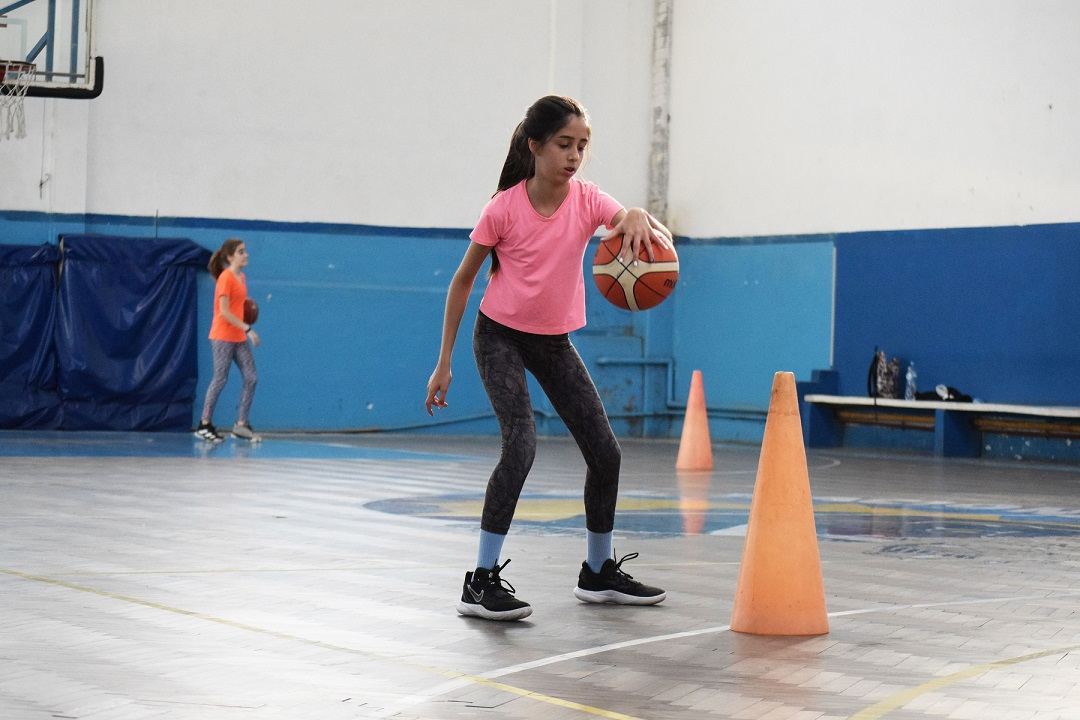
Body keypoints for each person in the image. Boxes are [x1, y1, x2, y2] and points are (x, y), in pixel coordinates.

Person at [425, 95, 674, 621]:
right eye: (565, 144)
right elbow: (464, 280)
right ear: (535, 146)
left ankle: (598, 571)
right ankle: (480, 581)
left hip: (553, 340)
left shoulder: (586, 200)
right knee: (521, 446)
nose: (575, 155)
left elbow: (622, 215)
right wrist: (444, 360)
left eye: (583, 145)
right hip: (499, 337)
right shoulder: (503, 208)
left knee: (605, 453)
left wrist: (636, 216)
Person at [195, 238, 262, 443]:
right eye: (241, 252)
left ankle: (241, 424)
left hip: (237, 336)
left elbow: (237, 307)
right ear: (231, 256)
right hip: (222, 336)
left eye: (245, 251)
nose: (246, 254)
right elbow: (223, 312)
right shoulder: (225, 277)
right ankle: (204, 424)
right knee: (220, 379)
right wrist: (248, 329)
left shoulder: (241, 278)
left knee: (251, 377)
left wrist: (248, 313)